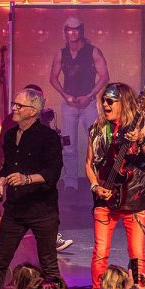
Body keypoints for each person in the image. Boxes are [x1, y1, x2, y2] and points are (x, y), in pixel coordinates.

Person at [0, 87, 64, 286]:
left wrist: (26, 179)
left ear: (32, 111)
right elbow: (8, 166)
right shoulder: (9, 135)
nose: (14, 108)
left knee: (49, 266)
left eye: (19, 105)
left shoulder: (48, 137)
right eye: (14, 104)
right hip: (15, 208)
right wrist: (1, 181)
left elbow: (53, 173)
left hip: (42, 210)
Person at [85, 82, 145, 289]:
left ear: (123, 102)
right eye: (103, 101)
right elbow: (89, 163)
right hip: (105, 197)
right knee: (100, 252)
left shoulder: (141, 124)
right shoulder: (97, 128)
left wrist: (140, 139)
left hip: (134, 199)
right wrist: (95, 186)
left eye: (110, 101)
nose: (105, 105)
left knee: (137, 254)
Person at [48, 16, 109, 191]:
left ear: (81, 31)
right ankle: (70, 182)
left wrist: (90, 96)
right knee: (68, 145)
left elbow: (105, 76)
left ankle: (98, 179)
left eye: (76, 29)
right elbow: (53, 78)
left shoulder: (93, 51)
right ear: (65, 32)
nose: (73, 33)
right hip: (69, 105)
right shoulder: (61, 54)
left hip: (88, 104)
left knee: (97, 142)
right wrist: (65, 95)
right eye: (70, 29)